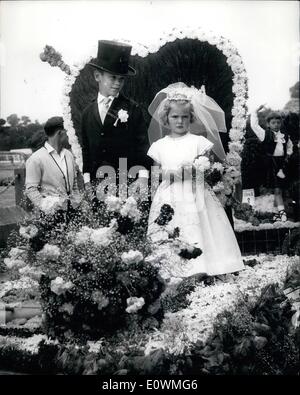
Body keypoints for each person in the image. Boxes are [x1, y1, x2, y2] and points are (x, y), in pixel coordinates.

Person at [147, 84, 244, 277]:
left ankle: (206, 266)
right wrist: (172, 174)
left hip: (196, 191)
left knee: (202, 225)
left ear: (191, 117)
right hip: (170, 193)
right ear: (166, 118)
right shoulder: (160, 145)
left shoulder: (198, 142)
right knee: (172, 226)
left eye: (184, 117)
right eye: (175, 117)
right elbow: (156, 173)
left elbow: (207, 169)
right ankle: (172, 270)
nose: (180, 121)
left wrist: (197, 170)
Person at [81, 40, 151, 203]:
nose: (117, 83)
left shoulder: (132, 109)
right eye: (113, 77)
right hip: (98, 184)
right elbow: (86, 149)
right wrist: (86, 181)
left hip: (127, 182)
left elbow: (142, 146)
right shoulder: (87, 112)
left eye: (121, 79)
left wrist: (142, 178)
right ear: (97, 76)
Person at [25, 116, 82, 223]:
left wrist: (77, 201)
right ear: (60, 133)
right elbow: (31, 189)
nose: (71, 135)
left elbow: (74, 183)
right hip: (50, 216)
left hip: (73, 213)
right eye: (69, 132)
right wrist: (46, 208)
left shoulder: (69, 154)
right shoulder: (36, 159)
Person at [250, 105, 293, 221]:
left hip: (282, 165)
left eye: (278, 123)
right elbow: (254, 125)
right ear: (268, 124)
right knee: (271, 190)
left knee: (280, 190)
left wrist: (287, 158)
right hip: (269, 165)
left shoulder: (285, 137)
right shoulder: (265, 134)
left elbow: (289, 148)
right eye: (273, 123)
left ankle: (281, 213)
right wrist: (255, 112)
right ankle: (277, 213)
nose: (276, 125)